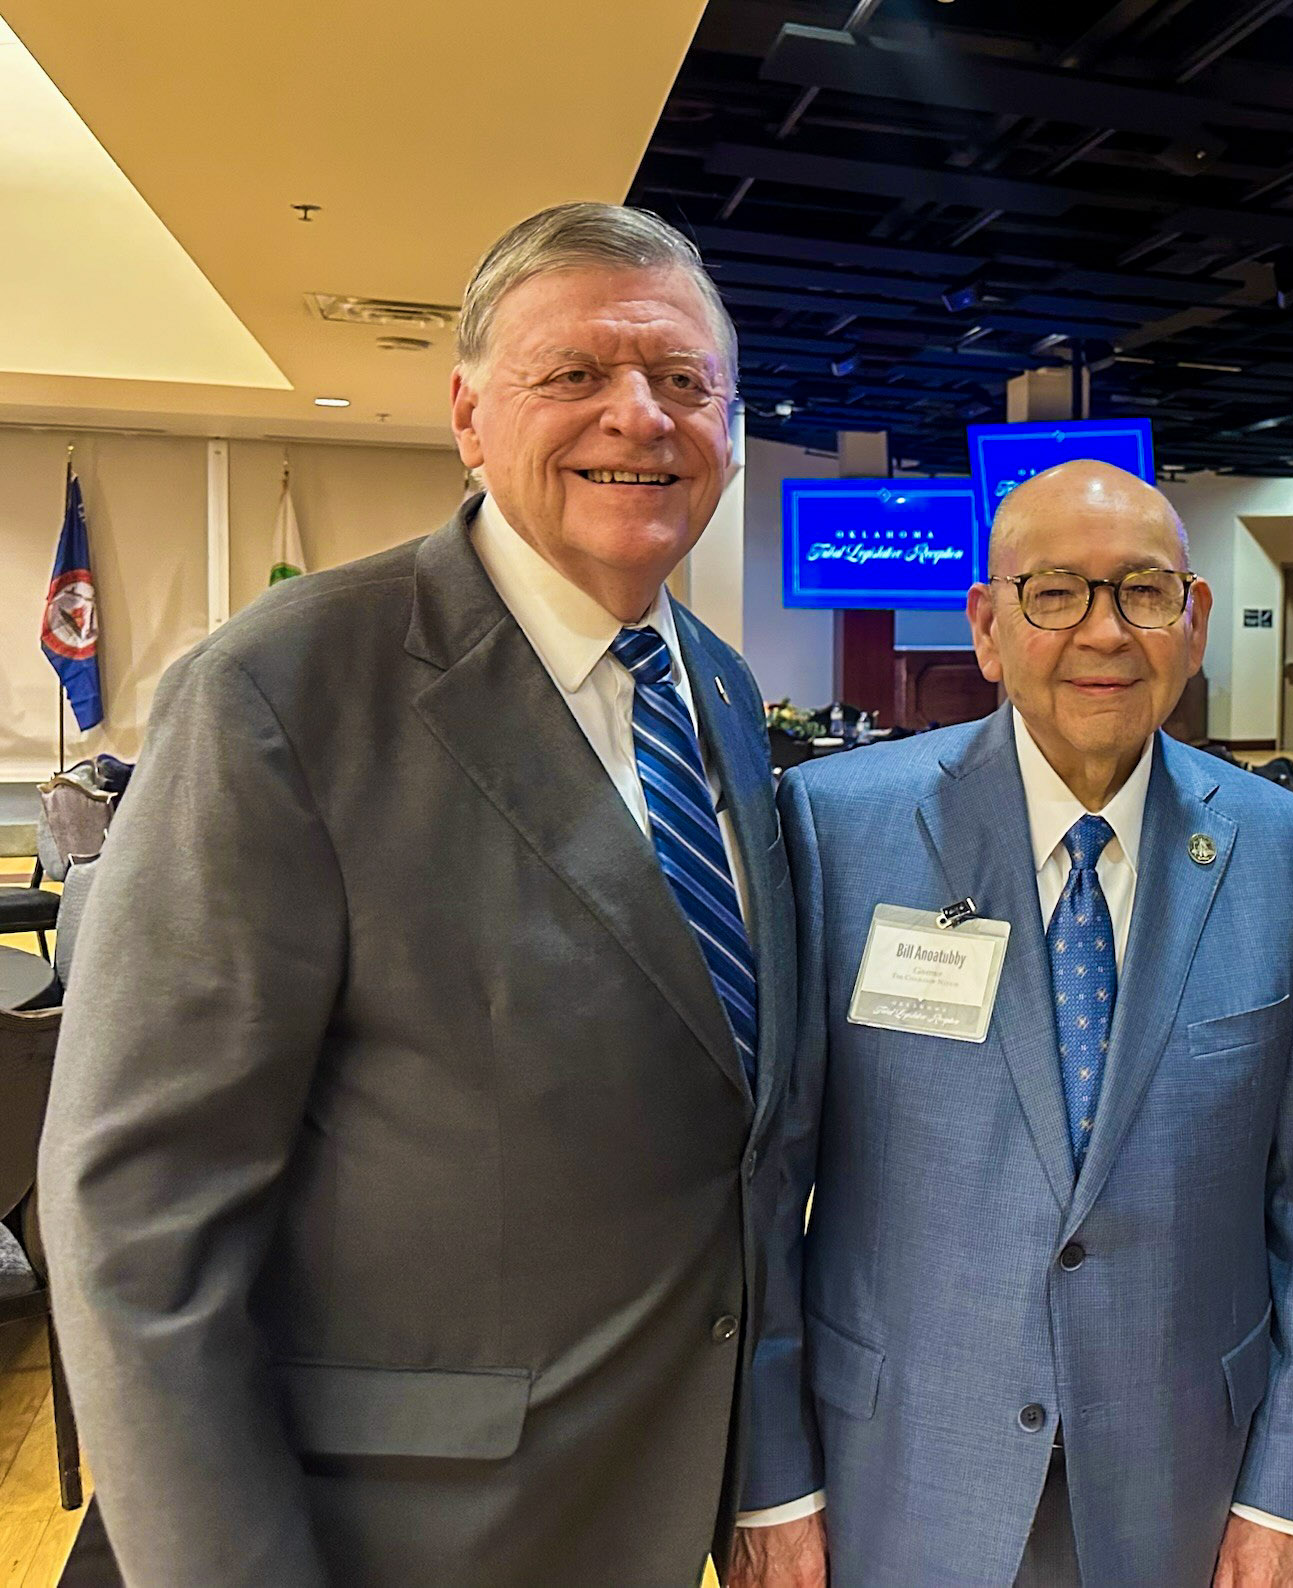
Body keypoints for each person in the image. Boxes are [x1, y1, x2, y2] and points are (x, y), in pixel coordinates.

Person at [39, 202, 794, 1588]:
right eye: (575, 374)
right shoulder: (281, 692)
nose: (640, 416)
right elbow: (135, 1222)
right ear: (466, 412)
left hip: (643, 1499)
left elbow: (721, 1135)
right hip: (381, 1534)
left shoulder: (723, 699)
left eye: (686, 381)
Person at [734, 460, 1293, 1588]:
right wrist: (773, 1478)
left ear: (1194, 619)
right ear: (985, 626)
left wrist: (1288, 1487)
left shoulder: (1288, 851)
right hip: (895, 1467)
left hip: (1183, 1483)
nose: (1104, 631)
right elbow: (770, 1181)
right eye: (1055, 592)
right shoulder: (838, 828)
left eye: (1141, 590)